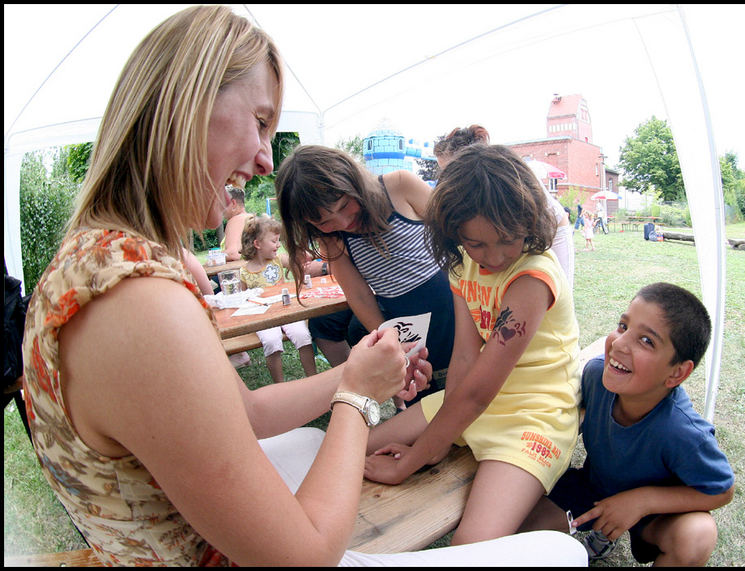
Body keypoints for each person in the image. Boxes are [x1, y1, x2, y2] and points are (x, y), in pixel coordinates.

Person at [19, 6, 503, 566]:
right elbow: (304, 558)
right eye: (260, 120)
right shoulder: (142, 305)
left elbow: (240, 415)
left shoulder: (95, 258)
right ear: (188, 101)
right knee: (552, 555)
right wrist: (354, 397)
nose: (265, 157)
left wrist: (353, 370)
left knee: (309, 443)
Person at [363, 144, 582, 547]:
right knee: (356, 449)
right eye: (477, 244)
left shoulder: (532, 276)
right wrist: (442, 434)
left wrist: (417, 456)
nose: (493, 257)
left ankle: (559, 526)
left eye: (507, 239)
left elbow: (479, 390)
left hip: (533, 416)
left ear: (528, 220)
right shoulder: (462, 263)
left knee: (469, 546)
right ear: (454, 235)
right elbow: (464, 355)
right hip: (474, 399)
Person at [520, 282, 735, 566]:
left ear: (677, 373)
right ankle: (602, 533)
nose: (619, 343)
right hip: (593, 489)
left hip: (655, 514)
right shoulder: (596, 376)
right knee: (517, 528)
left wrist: (642, 501)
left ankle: (610, 533)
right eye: (623, 326)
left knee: (697, 535)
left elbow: (721, 490)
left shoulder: (683, 432)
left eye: (647, 341)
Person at [275, 145, 457, 410]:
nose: (342, 220)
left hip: (456, 307)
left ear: (354, 182)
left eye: (344, 205)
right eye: (323, 220)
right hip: (407, 326)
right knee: (426, 399)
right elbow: (359, 295)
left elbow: (456, 233)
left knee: (466, 387)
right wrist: (393, 344)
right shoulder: (333, 239)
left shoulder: (399, 186)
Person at [433, 125, 575, 289]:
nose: (447, 176)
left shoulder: (502, 173)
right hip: (515, 235)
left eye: (448, 168)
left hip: (550, 228)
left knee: (556, 287)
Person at [238, 214, 317, 381]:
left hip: (285, 309)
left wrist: (301, 259)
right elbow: (242, 299)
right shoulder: (244, 272)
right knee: (272, 341)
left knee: (302, 335)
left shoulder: (279, 260)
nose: (278, 245)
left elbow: (299, 263)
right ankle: (279, 385)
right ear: (257, 244)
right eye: (274, 241)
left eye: (278, 241)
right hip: (263, 316)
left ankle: (313, 377)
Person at [220, 186, 251, 261]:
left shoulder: (235, 220)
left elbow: (232, 253)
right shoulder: (251, 217)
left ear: (233, 203)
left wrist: (212, 259)